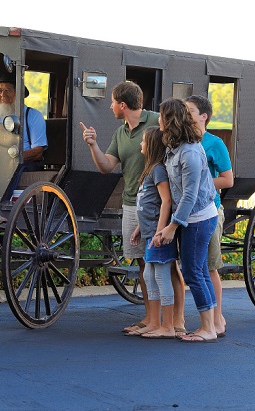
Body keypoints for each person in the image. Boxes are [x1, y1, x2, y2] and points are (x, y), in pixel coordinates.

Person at [80, 81, 186, 337]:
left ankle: (176, 321)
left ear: (123, 105)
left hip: (160, 204)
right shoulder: (120, 133)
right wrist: (93, 144)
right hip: (132, 204)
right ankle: (151, 318)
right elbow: (106, 167)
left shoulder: (156, 121)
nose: (110, 106)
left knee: (169, 264)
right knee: (143, 262)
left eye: (113, 102)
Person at [155, 98, 219, 343]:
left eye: (161, 116)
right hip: (192, 218)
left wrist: (172, 225)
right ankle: (209, 326)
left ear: (170, 120)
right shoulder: (176, 147)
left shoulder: (190, 152)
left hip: (199, 218)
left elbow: (190, 194)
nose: (158, 120)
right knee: (199, 270)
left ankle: (208, 329)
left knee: (192, 271)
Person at [185, 95, 233, 338]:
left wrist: (196, 183)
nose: (186, 114)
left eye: (190, 110)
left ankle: (217, 320)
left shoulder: (214, 143)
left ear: (203, 116)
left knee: (209, 266)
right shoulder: (182, 141)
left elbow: (227, 179)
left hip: (210, 210)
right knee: (193, 267)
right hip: (186, 212)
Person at [127, 126, 179, 338]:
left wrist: (160, 232)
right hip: (149, 233)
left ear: (152, 145)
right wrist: (140, 227)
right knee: (149, 275)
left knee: (161, 276)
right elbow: (148, 204)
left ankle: (167, 326)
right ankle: (155, 322)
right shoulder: (150, 169)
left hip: (158, 236)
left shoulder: (158, 169)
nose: (140, 144)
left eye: (143, 141)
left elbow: (166, 200)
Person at [0, 73, 47, 171]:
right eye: (0, 91)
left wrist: (14, 157)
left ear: (19, 93)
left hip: (23, 163)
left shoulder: (33, 115)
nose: (3, 95)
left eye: (7, 91)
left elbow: (38, 152)